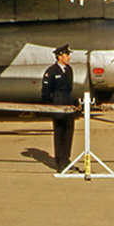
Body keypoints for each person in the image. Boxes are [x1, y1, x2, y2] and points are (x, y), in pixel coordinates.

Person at [41, 44, 76, 172]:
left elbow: (69, 89)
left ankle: (66, 160)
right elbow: (45, 92)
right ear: (59, 57)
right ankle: (60, 162)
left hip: (68, 105)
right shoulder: (51, 71)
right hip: (57, 106)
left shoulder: (69, 70)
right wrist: (51, 106)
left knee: (68, 134)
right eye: (67, 55)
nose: (69, 57)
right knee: (60, 134)